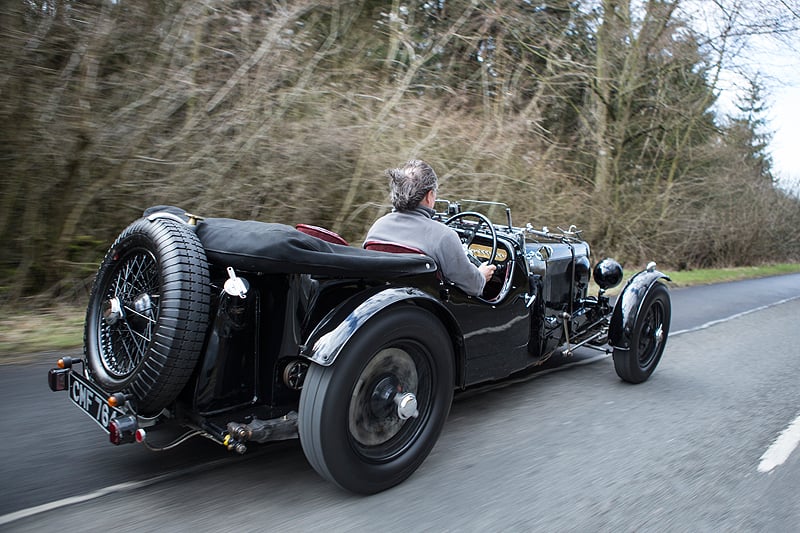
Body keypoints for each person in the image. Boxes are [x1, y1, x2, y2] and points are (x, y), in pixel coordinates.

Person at [365, 159, 496, 296]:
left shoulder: (378, 227)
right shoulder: (444, 236)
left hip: (382, 303)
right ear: (429, 196)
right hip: (428, 310)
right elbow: (473, 287)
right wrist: (481, 275)